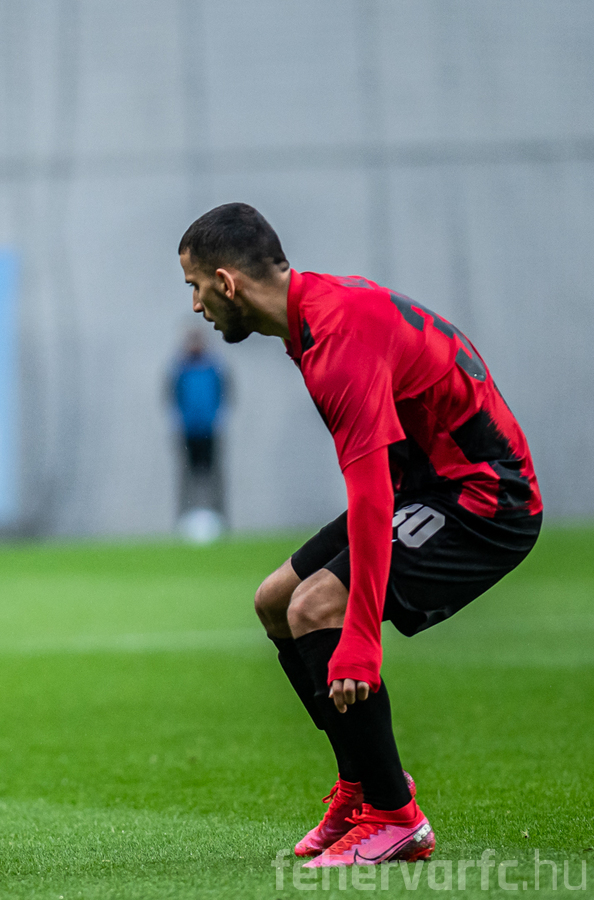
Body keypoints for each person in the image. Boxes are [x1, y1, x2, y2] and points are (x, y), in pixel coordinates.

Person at [177, 203, 541, 868]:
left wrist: (361, 641)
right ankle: (361, 785)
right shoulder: (316, 312)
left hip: (485, 500)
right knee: (274, 601)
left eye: (196, 287)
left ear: (227, 282)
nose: (196, 305)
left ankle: (396, 817)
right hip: (427, 484)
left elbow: (370, 497)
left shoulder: (335, 343)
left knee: (316, 606)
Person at [169, 326, 229, 535]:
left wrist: (217, 418)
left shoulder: (214, 367)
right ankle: (184, 521)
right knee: (187, 477)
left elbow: (225, 393)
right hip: (187, 431)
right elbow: (172, 396)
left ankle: (220, 520)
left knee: (214, 477)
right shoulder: (179, 369)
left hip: (210, 430)